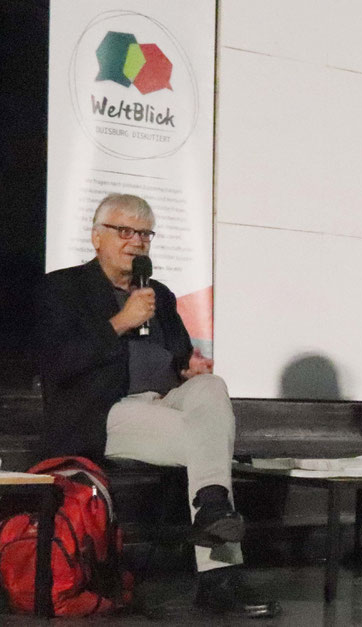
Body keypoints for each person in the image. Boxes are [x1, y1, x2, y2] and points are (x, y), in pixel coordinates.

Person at [34, 194, 280, 617]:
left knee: (212, 388)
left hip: (162, 406)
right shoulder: (62, 288)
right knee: (211, 444)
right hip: (102, 413)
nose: (136, 241)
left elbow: (180, 357)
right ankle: (218, 574)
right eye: (124, 231)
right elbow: (55, 364)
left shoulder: (159, 294)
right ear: (97, 237)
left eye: (145, 233)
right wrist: (120, 322)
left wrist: (189, 369)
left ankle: (212, 508)